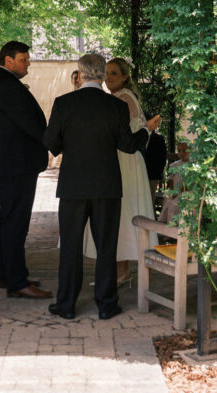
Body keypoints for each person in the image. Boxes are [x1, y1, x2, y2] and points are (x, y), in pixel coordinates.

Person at [44, 54, 161, 320]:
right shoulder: (115, 106)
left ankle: (66, 305)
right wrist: (146, 131)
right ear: (99, 75)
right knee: (106, 246)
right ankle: (107, 305)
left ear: (81, 74)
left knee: (71, 247)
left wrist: (69, 149)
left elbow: (50, 141)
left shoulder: (64, 103)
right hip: (107, 186)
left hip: (73, 186)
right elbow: (128, 145)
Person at [0, 41, 52, 299]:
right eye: (24, 59)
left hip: (13, 163)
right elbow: (26, 121)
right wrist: (53, 141)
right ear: (8, 60)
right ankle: (17, 282)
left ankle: (8, 275)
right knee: (16, 222)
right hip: (16, 164)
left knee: (10, 221)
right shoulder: (4, 83)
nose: (28, 63)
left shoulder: (3, 83)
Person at [83, 57, 156, 285]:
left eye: (114, 73)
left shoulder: (123, 98)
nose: (109, 77)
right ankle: (119, 271)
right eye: (107, 73)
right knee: (120, 215)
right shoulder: (116, 98)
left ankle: (120, 271)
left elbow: (122, 137)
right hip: (120, 161)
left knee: (121, 214)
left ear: (125, 76)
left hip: (124, 162)